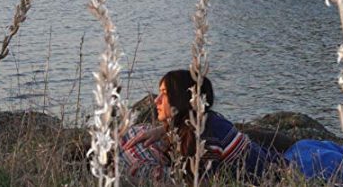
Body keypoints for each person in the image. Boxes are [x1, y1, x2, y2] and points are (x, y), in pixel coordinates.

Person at [120, 69, 293, 183]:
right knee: (133, 137)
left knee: (133, 163)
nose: (156, 100)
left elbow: (194, 182)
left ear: (181, 99)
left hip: (276, 174)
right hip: (266, 156)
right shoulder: (199, 120)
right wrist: (162, 129)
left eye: (164, 94)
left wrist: (143, 171)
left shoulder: (205, 138)